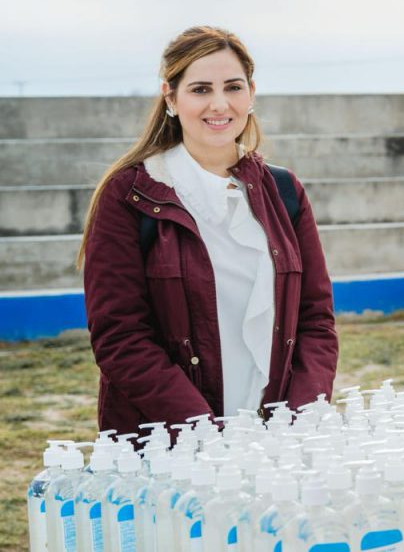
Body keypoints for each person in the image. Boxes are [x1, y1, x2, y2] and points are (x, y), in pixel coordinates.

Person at [77, 26, 338, 435]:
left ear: (251, 93)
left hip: (275, 438)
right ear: (170, 97)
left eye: (232, 87)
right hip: (173, 444)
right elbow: (121, 338)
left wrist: (300, 420)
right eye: (200, 89)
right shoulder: (128, 194)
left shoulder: (284, 191)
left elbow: (316, 321)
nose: (219, 104)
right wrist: (203, 432)